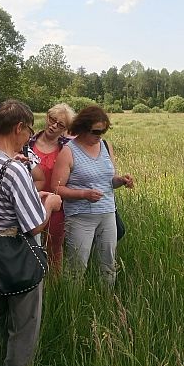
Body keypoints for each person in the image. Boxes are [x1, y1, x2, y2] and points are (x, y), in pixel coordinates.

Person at [0, 99, 62, 366]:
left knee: (0, 315)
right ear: (19, 128)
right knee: (24, 324)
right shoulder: (15, 169)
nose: (29, 138)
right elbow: (35, 225)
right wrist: (51, 204)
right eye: (28, 131)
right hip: (16, 254)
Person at [51, 105, 134, 287]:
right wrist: (83, 194)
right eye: (96, 131)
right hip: (80, 218)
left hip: (107, 214)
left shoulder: (105, 146)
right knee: (76, 268)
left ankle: (107, 302)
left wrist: (121, 180)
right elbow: (57, 189)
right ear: (82, 128)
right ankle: (72, 307)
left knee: (109, 264)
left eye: (103, 131)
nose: (100, 136)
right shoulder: (68, 151)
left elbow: (109, 180)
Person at [26, 103, 75, 272]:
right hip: (29, 203)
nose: (53, 126)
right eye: (52, 119)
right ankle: (32, 281)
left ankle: (55, 286)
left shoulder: (68, 149)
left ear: (65, 129)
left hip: (57, 206)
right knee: (29, 245)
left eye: (60, 125)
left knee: (55, 247)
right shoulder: (27, 142)